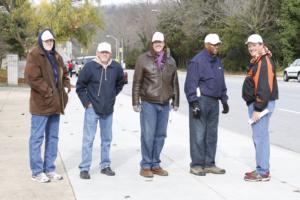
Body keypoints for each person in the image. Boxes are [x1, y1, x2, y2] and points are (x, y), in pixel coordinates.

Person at [25, 29, 71, 183]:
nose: (49, 43)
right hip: (41, 105)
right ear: (41, 41)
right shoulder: (34, 55)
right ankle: (37, 172)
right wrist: (49, 91)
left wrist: (66, 86)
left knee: (53, 138)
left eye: (51, 41)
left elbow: (65, 73)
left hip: (56, 105)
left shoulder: (56, 56)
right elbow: (32, 78)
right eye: (46, 41)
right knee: (37, 138)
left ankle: (49, 169)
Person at [132, 31, 179, 178]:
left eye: (161, 42)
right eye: (155, 42)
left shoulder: (171, 61)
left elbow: (175, 82)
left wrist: (176, 101)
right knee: (148, 135)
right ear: (152, 44)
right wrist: (135, 101)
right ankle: (145, 165)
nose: (158, 44)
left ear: (164, 44)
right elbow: (137, 82)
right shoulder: (143, 59)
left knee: (160, 135)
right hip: (148, 103)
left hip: (164, 104)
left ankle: (155, 163)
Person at [76, 42, 125, 179]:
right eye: (102, 52)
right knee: (88, 140)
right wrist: (87, 103)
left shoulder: (116, 67)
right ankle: (84, 168)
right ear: (97, 53)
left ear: (110, 54)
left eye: (107, 52)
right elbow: (80, 87)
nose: (104, 54)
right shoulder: (89, 67)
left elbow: (120, 83)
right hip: (92, 109)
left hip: (108, 109)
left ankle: (105, 165)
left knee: (107, 139)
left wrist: (112, 96)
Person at [184, 33, 229, 176]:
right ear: (206, 45)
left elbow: (221, 82)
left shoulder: (217, 62)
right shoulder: (197, 61)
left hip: (214, 102)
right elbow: (190, 84)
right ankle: (196, 164)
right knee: (198, 134)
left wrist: (224, 100)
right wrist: (194, 103)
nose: (216, 47)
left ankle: (209, 163)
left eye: (217, 45)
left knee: (212, 134)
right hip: (201, 101)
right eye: (213, 44)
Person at [242, 34, 278, 182]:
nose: (251, 48)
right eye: (249, 45)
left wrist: (258, 109)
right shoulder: (258, 60)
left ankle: (262, 172)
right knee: (258, 137)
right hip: (257, 104)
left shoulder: (264, 62)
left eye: (255, 45)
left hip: (261, 104)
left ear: (262, 45)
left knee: (260, 137)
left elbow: (264, 87)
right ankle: (261, 168)